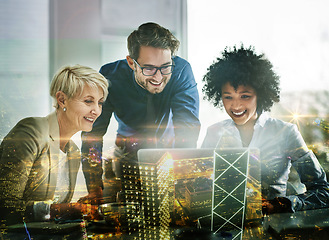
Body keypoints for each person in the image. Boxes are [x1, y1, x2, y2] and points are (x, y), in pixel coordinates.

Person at [201, 45, 329, 214]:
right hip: (226, 226)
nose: (236, 105)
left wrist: (282, 204)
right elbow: (199, 183)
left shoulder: (285, 132)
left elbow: (323, 192)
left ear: (260, 95)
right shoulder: (214, 132)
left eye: (245, 96)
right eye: (228, 97)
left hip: (273, 228)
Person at [81, 22, 201, 200]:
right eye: (149, 68)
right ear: (131, 62)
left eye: (165, 67)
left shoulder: (181, 71)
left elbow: (187, 128)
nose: (158, 77)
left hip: (167, 153)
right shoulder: (109, 77)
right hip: (125, 155)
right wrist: (94, 188)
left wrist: (182, 181)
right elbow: (93, 133)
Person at [0, 65, 108, 229]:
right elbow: (5, 207)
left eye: (100, 103)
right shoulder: (30, 132)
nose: (96, 111)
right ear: (62, 99)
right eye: (88, 101)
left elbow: (51, 212)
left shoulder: (73, 151)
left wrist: (81, 206)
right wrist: (64, 210)